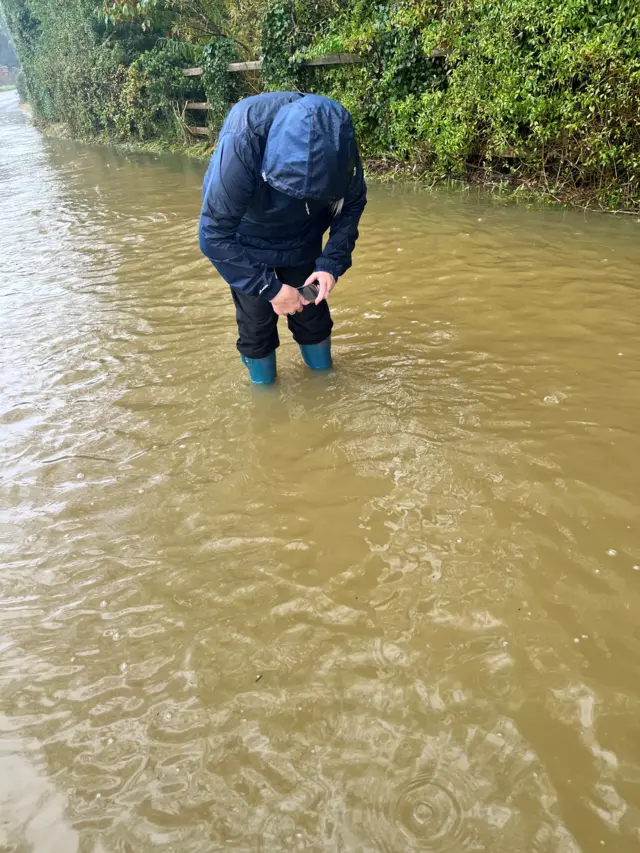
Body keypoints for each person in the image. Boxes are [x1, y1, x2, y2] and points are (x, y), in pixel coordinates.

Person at [198, 91, 367, 384]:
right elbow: (213, 233)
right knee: (256, 324)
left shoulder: (338, 140)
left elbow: (352, 206)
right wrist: (270, 289)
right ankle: (265, 395)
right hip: (248, 238)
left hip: (303, 236)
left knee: (313, 315)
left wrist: (330, 264)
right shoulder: (243, 138)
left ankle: (324, 382)